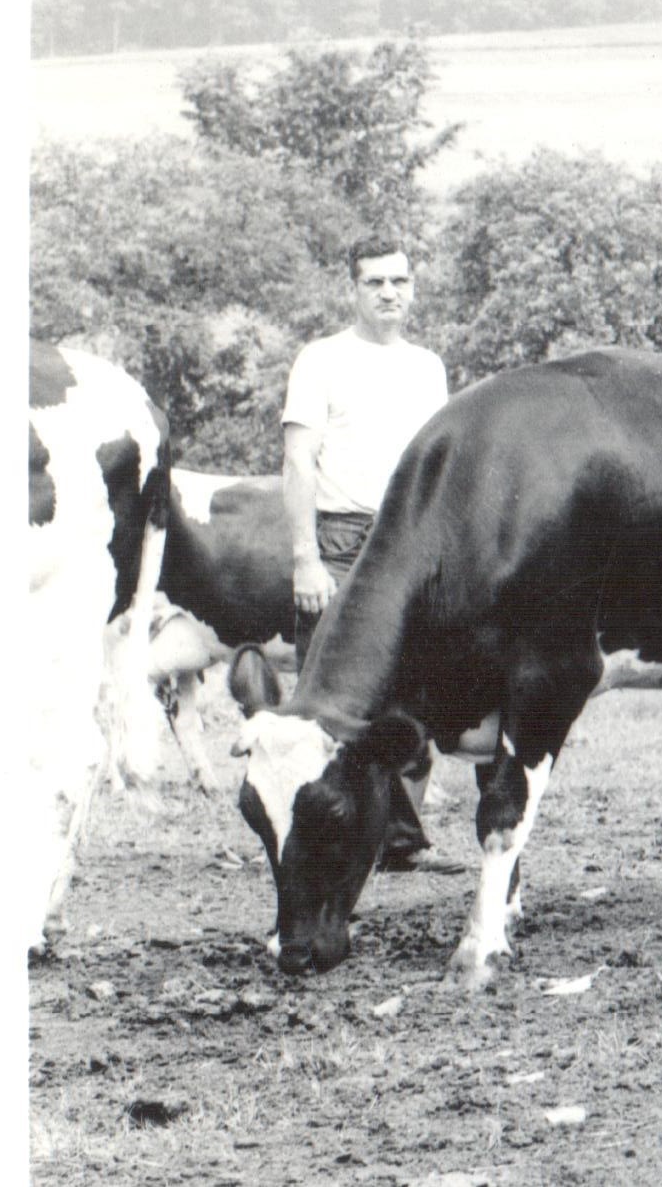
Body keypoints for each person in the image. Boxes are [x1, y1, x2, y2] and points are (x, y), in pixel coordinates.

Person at [283, 235, 460, 873]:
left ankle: (397, 841)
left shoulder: (427, 367)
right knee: (328, 693)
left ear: (413, 287)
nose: (389, 293)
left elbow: (439, 467)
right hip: (338, 537)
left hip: (410, 540)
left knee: (414, 684)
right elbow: (298, 459)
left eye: (399, 281)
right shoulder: (321, 359)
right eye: (374, 282)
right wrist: (306, 556)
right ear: (351, 289)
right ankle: (314, 828)